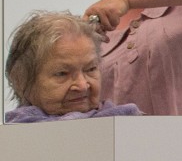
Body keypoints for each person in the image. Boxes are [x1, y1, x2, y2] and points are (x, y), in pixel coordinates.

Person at [5, 11, 141, 121]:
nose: (82, 86)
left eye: (91, 69)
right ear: (20, 80)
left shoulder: (129, 124)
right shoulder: (11, 138)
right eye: (62, 73)